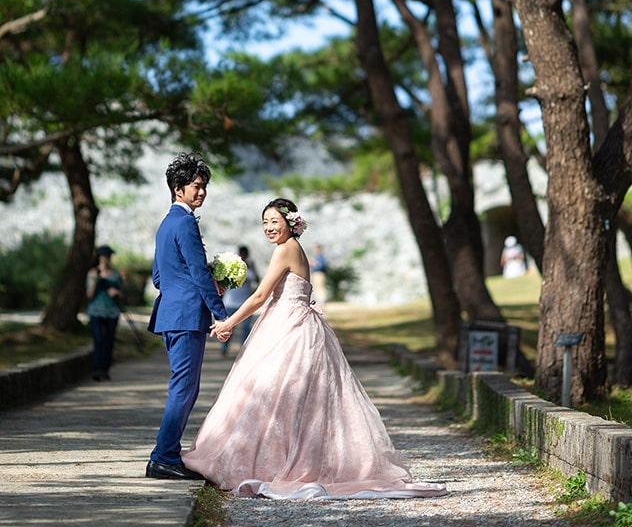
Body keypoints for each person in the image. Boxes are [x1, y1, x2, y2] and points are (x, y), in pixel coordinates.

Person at [182, 197, 447, 500]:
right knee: (287, 397)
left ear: (290, 224)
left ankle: (267, 461)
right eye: (265, 222)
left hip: (289, 326)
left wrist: (228, 322)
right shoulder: (289, 249)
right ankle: (274, 455)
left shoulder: (286, 250)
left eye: (275, 221)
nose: (269, 227)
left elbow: (259, 296)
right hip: (287, 322)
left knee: (273, 393)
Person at [145, 152, 229, 482]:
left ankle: (166, 454)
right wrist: (220, 316)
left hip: (172, 314)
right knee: (184, 388)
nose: (202, 192)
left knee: (184, 387)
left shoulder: (167, 224)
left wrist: (183, 290)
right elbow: (197, 271)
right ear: (178, 188)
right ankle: (163, 457)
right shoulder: (185, 222)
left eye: (205, 186)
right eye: (196, 186)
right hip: (186, 316)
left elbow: (158, 277)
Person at [86, 245, 125, 382]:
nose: (105, 259)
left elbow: (123, 294)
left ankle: (105, 369)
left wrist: (116, 293)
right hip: (96, 312)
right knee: (98, 340)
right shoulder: (92, 273)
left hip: (112, 312)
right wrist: (96, 279)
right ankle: (97, 369)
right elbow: (89, 295)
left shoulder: (115, 275)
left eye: (108, 256)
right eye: (103, 256)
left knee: (109, 341)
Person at [220, 246, 258, 356]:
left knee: (246, 328)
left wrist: (253, 268)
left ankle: (242, 350)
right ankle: (224, 347)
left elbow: (256, 280)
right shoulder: (233, 266)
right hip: (230, 302)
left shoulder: (250, 267)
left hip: (245, 303)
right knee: (229, 327)